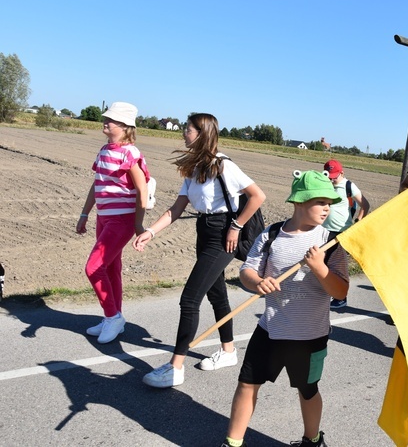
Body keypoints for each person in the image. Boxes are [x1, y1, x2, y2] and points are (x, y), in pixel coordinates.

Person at [133, 113, 266, 388]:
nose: (184, 133)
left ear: (202, 133)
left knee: (189, 299)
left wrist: (236, 226)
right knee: (216, 293)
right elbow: (176, 209)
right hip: (204, 230)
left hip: (222, 235)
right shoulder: (195, 168)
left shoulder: (223, 165)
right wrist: (150, 232)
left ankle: (175, 368)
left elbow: (257, 196)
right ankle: (228, 351)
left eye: (188, 129)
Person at [224, 170, 349, 447]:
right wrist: (257, 282)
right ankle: (232, 442)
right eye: (320, 201)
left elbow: (340, 291)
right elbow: (247, 270)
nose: (327, 207)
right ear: (299, 202)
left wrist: (319, 268)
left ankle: (312, 440)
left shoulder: (332, 240)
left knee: (307, 391)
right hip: (270, 330)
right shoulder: (270, 235)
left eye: (330, 202)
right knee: (246, 384)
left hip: (310, 337)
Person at [76, 102, 150, 344]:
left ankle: (112, 316)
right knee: (110, 268)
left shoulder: (131, 153)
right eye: (105, 118)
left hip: (122, 220)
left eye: (112, 120)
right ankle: (115, 317)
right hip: (104, 218)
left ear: (125, 126)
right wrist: (85, 214)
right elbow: (97, 184)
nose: (105, 122)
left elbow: (142, 190)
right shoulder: (104, 150)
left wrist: (139, 224)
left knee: (93, 267)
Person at [322, 159, 370, 309]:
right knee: (323, 263)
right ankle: (324, 292)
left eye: (334, 176)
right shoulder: (325, 184)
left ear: (342, 173)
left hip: (342, 231)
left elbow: (365, 204)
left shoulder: (349, 186)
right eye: (329, 176)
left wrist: (358, 221)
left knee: (338, 266)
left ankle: (341, 298)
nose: (332, 179)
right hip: (324, 230)